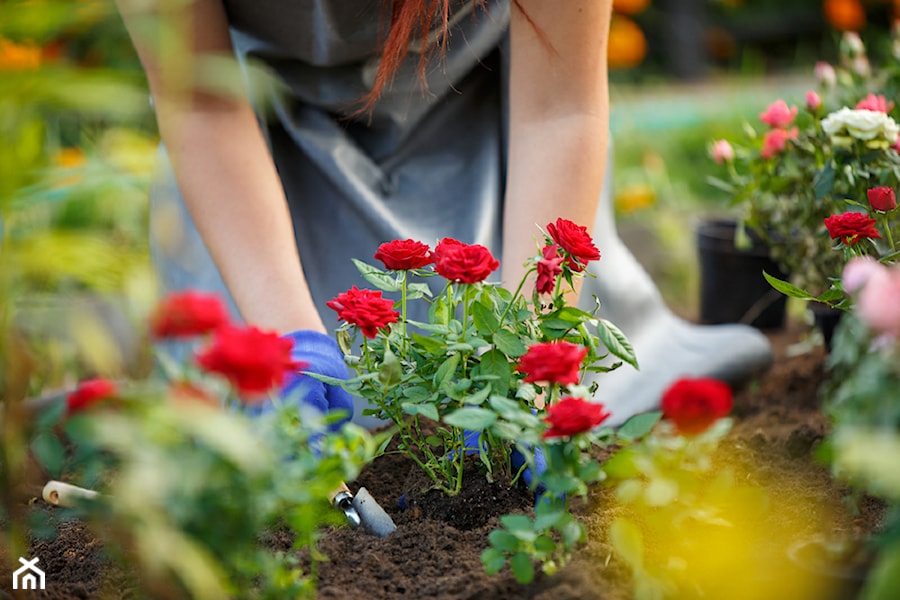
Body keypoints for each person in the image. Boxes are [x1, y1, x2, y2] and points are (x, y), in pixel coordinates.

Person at [116, 0, 772, 429]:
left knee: (518, 401)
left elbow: (561, 109)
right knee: (257, 434)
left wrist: (535, 356)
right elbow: (201, 104)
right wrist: (288, 344)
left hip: (501, 140)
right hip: (258, 164)